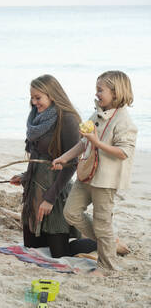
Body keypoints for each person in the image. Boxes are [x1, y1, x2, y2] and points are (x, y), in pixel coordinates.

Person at [52, 71, 137, 274]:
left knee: (102, 223)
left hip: (105, 181)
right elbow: (84, 143)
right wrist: (64, 157)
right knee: (70, 212)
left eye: (101, 90)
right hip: (87, 174)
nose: (96, 93)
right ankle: (109, 242)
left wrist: (97, 142)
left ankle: (107, 266)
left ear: (116, 93)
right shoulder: (97, 113)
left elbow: (124, 152)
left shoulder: (124, 121)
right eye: (97, 89)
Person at [10, 74, 97, 258]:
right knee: (32, 247)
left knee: (59, 253)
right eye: (32, 98)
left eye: (38, 98)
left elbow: (72, 163)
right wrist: (25, 176)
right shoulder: (36, 118)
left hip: (55, 190)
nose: (34, 103)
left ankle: (105, 242)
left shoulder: (68, 119)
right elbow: (35, 154)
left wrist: (50, 198)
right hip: (34, 189)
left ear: (52, 95)